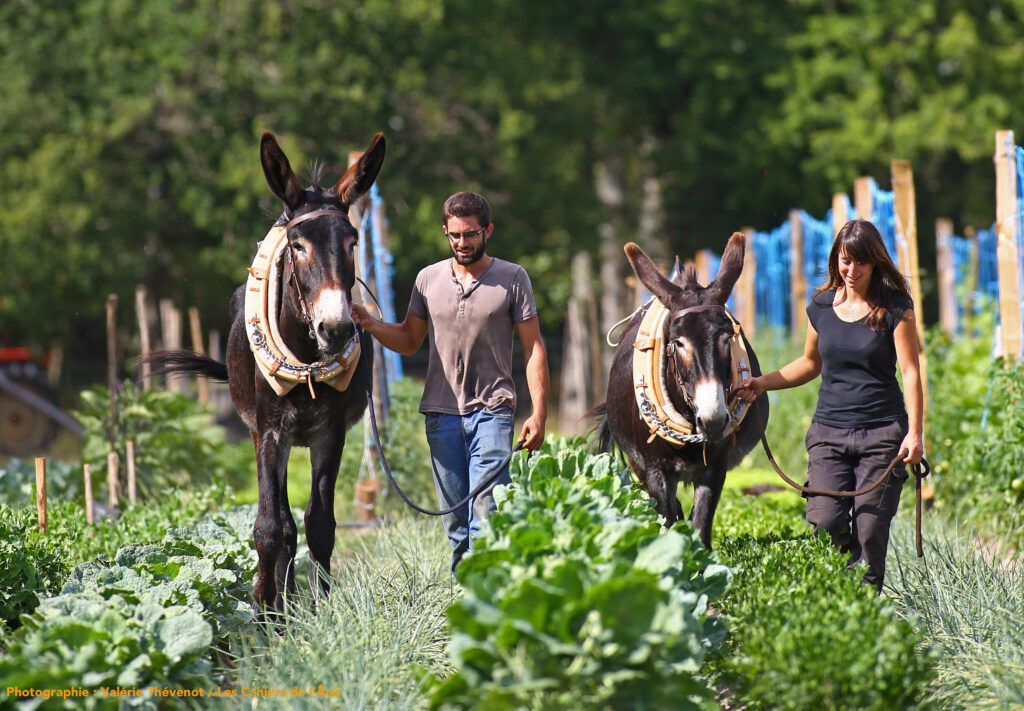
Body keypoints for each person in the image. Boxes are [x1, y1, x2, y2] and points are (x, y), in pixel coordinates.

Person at [352, 191, 549, 570]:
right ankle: (468, 601)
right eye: (455, 235)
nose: (462, 243)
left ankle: (489, 604)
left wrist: (539, 413)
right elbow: (410, 341)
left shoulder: (513, 278)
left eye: (471, 234)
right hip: (441, 417)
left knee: (486, 516)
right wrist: (371, 324)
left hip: (493, 412)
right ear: (445, 231)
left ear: (487, 231)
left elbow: (534, 349)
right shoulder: (427, 279)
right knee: (457, 525)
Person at [736, 219, 923, 591]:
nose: (851, 271)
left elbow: (911, 372)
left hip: (883, 434)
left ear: (875, 263)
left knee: (870, 529)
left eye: (860, 263)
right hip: (828, 434)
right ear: (836, 259)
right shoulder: (821, 306)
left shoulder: (894, 308)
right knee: (824, 522)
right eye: (844, 261)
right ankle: (841, 590)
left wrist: (915, 434)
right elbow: (809, 364)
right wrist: (761, 383)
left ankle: (864, 605)